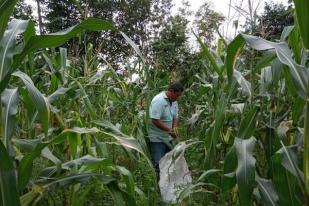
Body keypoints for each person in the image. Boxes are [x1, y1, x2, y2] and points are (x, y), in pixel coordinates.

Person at [148, 81, 183, 175]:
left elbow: (175, 116)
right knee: (159, 164)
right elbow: (155, 119)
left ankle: (168, 184)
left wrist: (174, 128)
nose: (177, 98)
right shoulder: (159, 100)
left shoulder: (174, 101)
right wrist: (169, 130)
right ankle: (158, 186)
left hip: (169, 138)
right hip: (158, 138)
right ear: (171, 91)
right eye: (177, 95)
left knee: (170, 162)